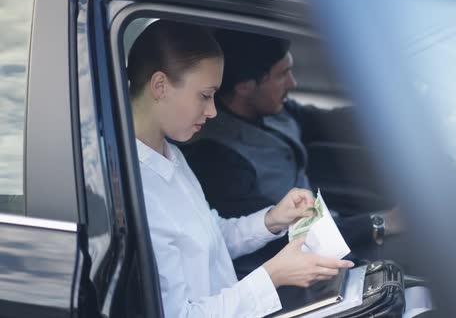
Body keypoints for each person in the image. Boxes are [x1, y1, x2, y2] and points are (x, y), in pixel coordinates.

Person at [128, 20, 354, 318]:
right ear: (160, 86)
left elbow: (213, 236)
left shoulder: (172, 155)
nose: (212, 111)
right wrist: (272, 276)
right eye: (205, 95)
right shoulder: (138, 189)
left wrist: (272, 219)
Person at [180, 30, 404, 275]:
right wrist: (382, 222)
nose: (293, 83)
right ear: (245, 87)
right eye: (282, 74)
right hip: (306, 256)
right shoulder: (217, 160)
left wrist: (391, 113)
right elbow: (283, 239)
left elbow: (331, 123)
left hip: (332, 225)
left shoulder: (275, 110)